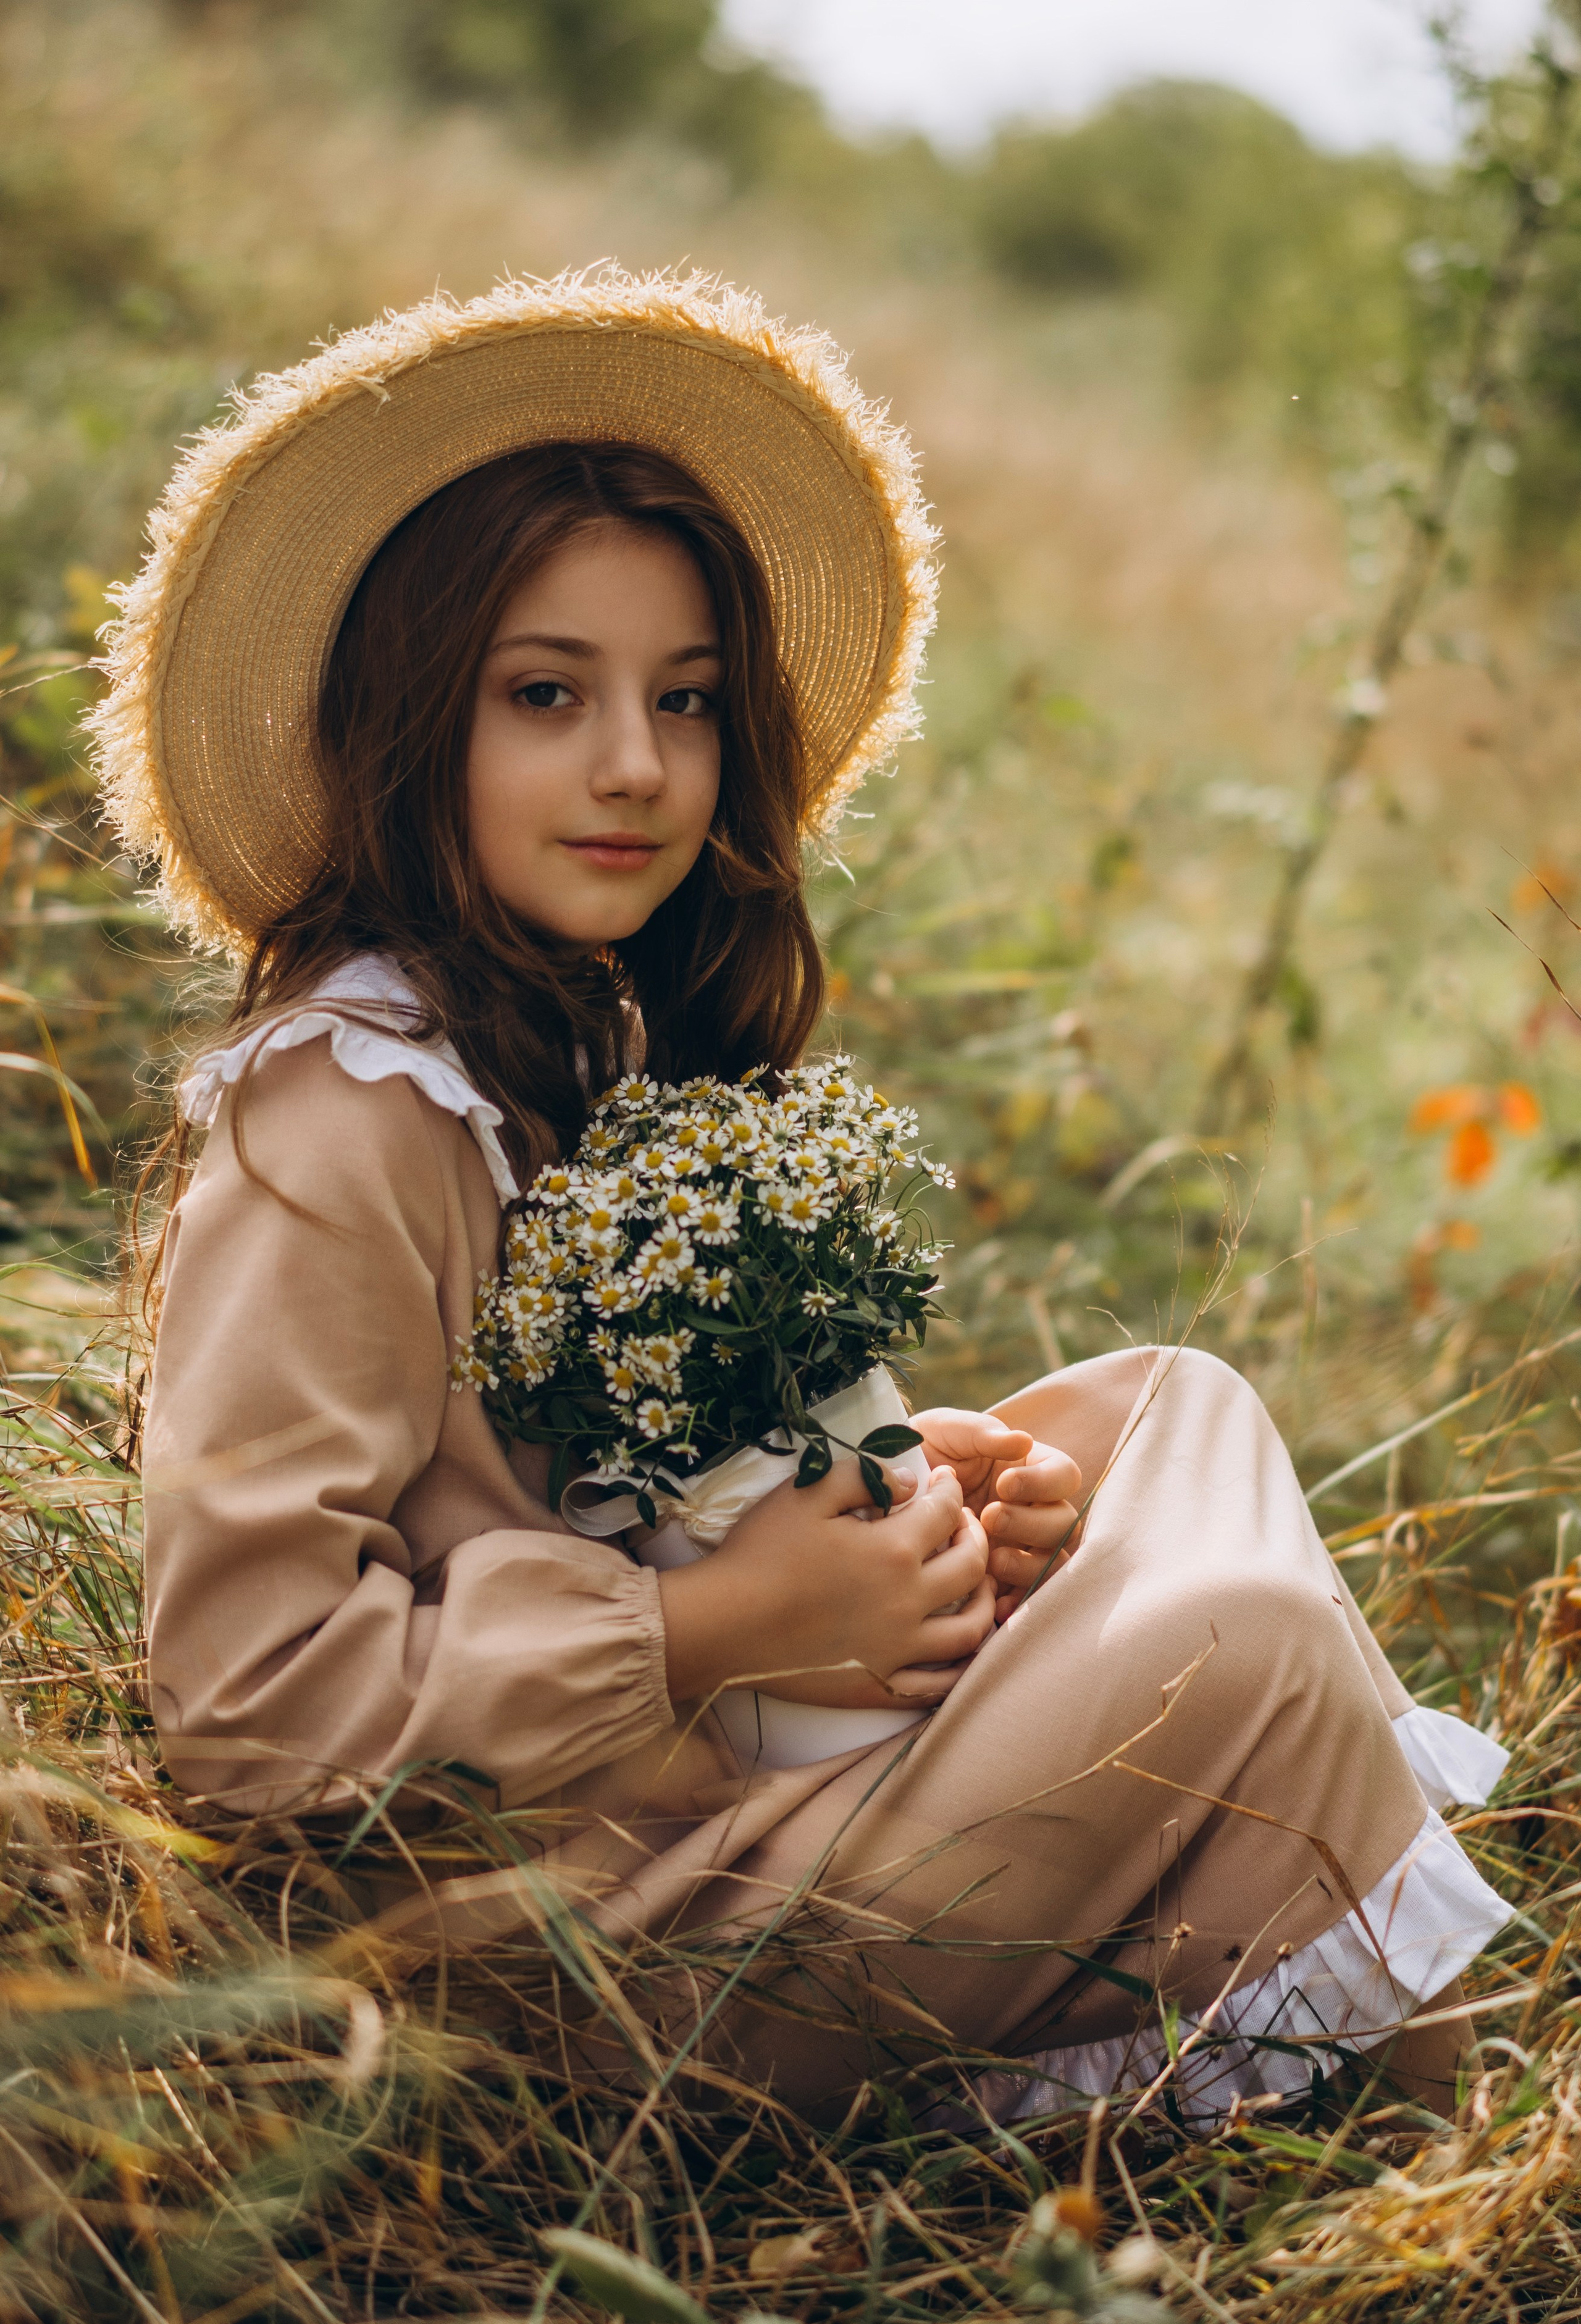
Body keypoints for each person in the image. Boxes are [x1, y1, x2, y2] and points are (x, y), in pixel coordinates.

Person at [95, 269, 1511, 2126]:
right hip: (574, 1964)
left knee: (1174, 1406)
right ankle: (1445, 2131)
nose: (636, 766)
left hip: (703, 1789)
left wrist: (900, 1508)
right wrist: (708, 1633)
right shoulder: (351, 1118)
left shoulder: (553, 1026)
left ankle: (1347, 2041)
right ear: (405, 724)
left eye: (683, 701)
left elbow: (591, 1491)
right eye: (546, 694)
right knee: (1240, 1645)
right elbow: (249, 1703)